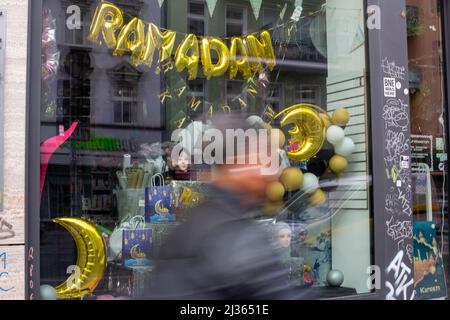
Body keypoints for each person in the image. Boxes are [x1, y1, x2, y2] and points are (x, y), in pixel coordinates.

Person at [145, 113, 306, 300]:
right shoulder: (242, 240)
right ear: (238, 164)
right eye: (260, 161)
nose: (269, 173)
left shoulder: (191, 225)